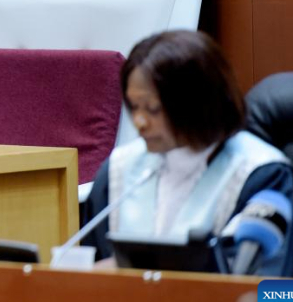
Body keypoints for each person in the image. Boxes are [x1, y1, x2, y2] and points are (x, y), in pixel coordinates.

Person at [81, 30, 293, 276]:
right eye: (134, 106)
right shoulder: (119, 170)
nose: (139, 121)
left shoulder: (264, 175)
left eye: (152, 108)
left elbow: (275, 292)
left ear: (196, 104)